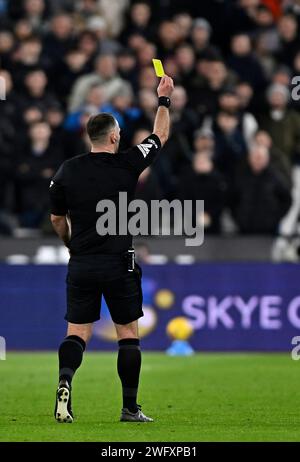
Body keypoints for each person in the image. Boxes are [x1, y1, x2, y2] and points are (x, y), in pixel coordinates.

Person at [49, 75, 174, 423]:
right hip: (119, 262)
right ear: (115, 136)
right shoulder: (127, 163)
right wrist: (163, 100)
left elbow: (57, 219)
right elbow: (160, 136)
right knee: (128, 335)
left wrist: (71, 244)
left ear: (90, 137)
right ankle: (130, 408)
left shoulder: (67, 171)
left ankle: (64, 382)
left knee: (77, 333)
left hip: (83, 263)